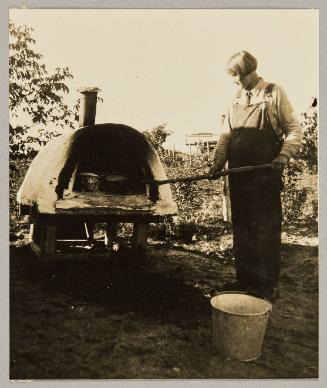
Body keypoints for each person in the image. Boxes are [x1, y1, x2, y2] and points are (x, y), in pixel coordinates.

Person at [209, 50, 303, 301]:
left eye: (236, 77)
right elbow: (226, 135)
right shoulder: (235, 99)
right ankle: (244, 281)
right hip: (238, 175)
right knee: (242, 228)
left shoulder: (274, 93)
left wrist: (282, 157)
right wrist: (217, 163)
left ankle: (266, 286)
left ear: (248, 72)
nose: (234, 82)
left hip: (264, 175)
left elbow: (294, 130)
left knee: (265, 228)